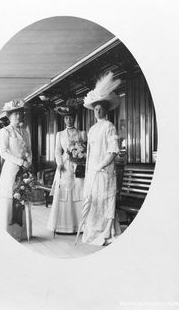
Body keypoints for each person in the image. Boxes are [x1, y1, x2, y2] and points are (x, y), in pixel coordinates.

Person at [81, 72, 122, 246]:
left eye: (100, 109)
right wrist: (90, 167)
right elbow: (90, 152)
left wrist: (100, 165)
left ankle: (106, 232)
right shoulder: (92, 129)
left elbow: (112, 151)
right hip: (92, 171)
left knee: (104, 201)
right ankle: (92, 232)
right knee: (93, 200)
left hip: (105, 172)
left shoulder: (109, 126)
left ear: (106, 110)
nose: (98, 111)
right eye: (95, 109)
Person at [0, 99, 32, 241]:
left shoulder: (25, 131)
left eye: (20, 114)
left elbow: (28, 150)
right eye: (15, 114)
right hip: (11, 170)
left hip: (24, 170)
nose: (18, 116)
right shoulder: (5, 131)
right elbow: (3, 152)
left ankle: (21, 233)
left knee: (22, 196)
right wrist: (20, 162)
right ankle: (8, 233)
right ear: (9, 116)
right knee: (11, 197)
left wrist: (29, 161)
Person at [47, 99, 86, 234]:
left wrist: (80, 156)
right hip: (65, 165)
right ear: (64, 120)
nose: (69, 120)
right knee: (64, 191)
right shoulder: (60, 134)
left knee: (79, 190)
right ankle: (64, 226)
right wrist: (59, 164)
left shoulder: (81, 133)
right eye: (67, 118)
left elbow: (86, 150)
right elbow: (57, 151)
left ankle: (80, 225)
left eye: (71, 118)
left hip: (78, 165)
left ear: (75, 118)